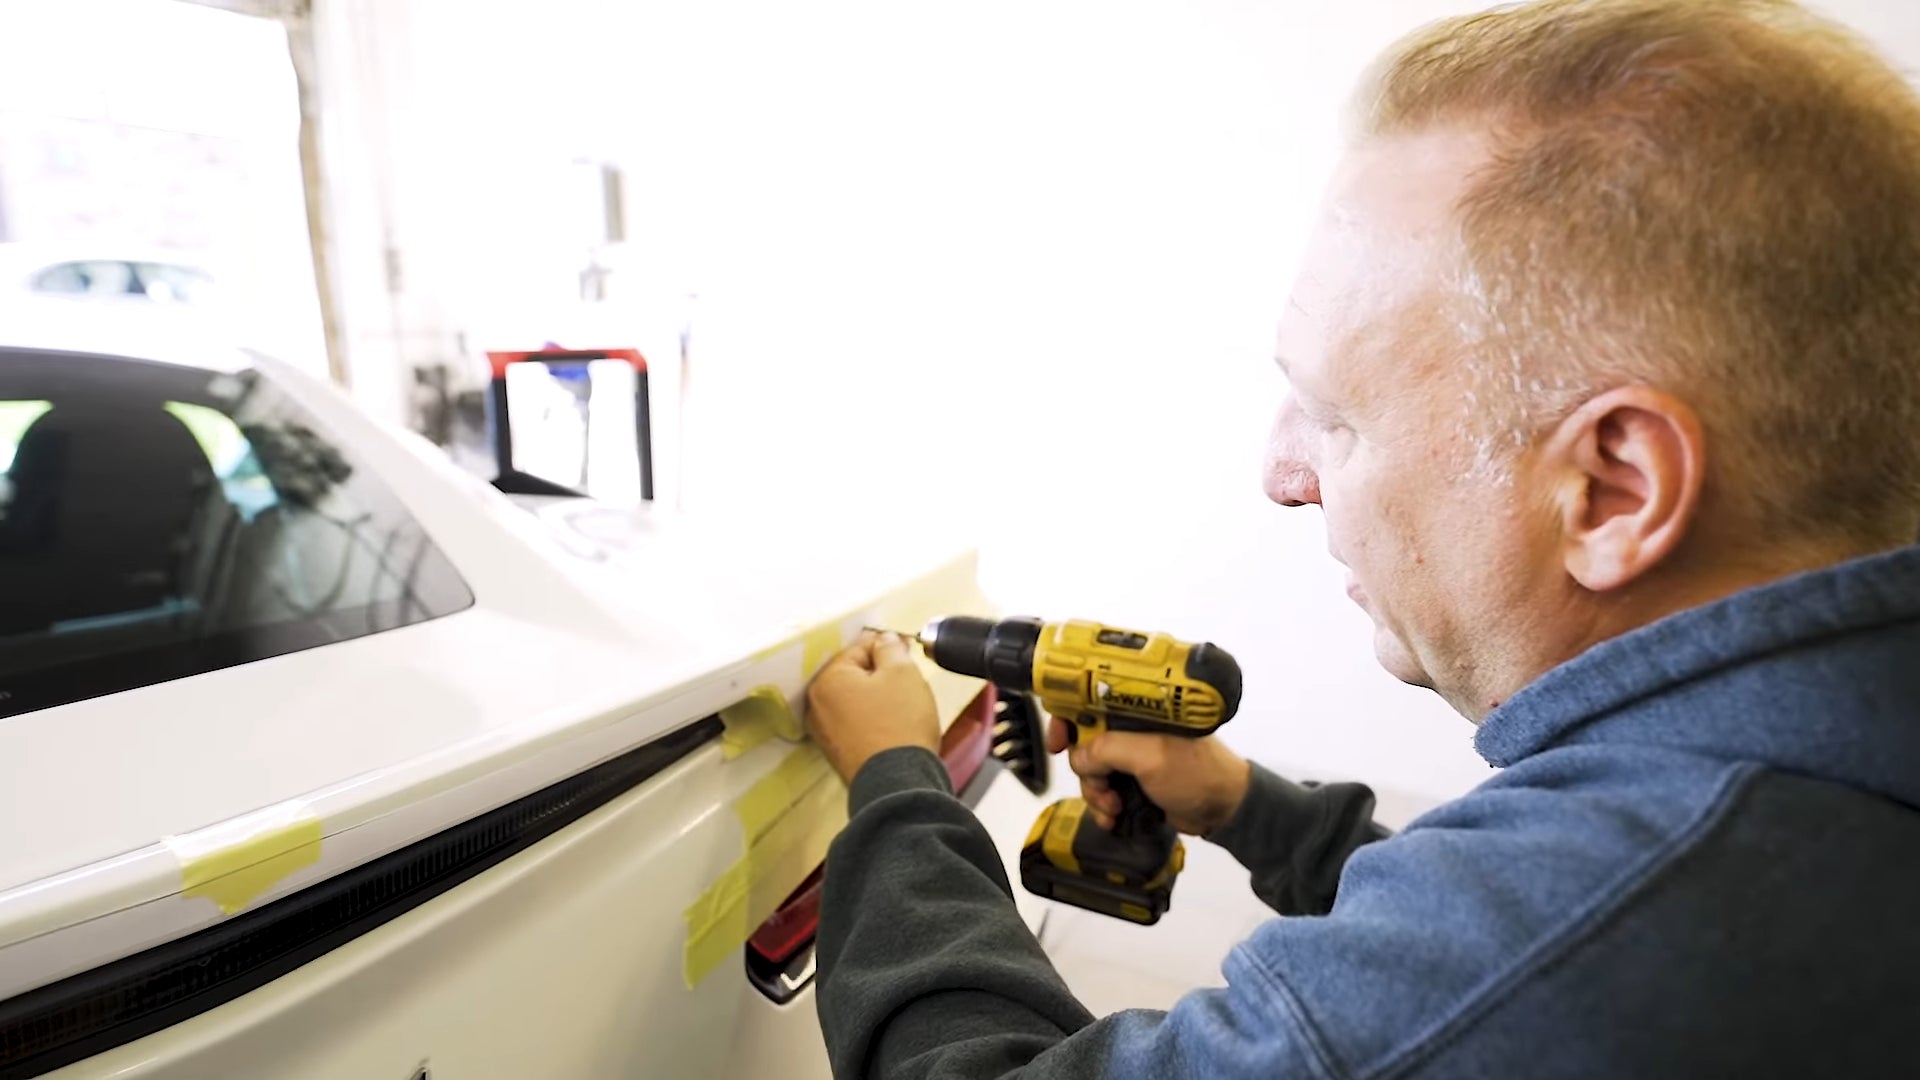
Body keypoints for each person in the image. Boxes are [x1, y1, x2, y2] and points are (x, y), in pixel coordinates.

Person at [802, 0, 1920, 1075]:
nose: (1284, 477)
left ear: (1614, 489)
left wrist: (898, 781)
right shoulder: (1809, 780)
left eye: (1336, 414)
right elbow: (1522, 960)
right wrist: (1249, 808)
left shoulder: (1645, 893)